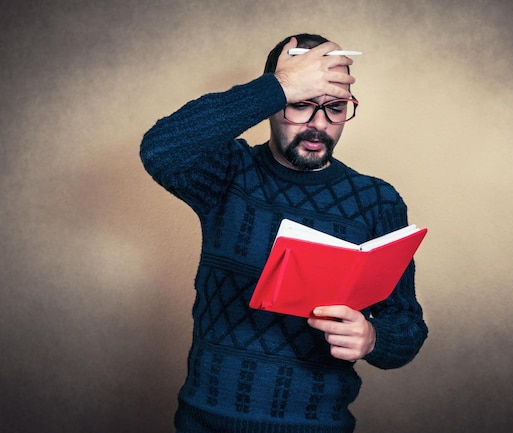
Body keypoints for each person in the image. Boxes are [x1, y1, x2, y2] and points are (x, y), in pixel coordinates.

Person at [140, 33, 428, 433]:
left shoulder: (376, 201)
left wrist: (374, 337)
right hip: (205, 422)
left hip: (318, 426)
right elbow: (161, 149)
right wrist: (279, 85)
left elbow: (408, 326)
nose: (318, 126)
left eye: (335, 108)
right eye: (300, 104)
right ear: (273, 104)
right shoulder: (229, 172)